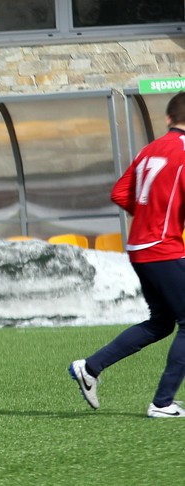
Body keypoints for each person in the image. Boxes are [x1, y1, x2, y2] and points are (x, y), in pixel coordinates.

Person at [69, 91, 185, 418]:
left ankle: (90, 367)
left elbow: (120, 192)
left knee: (161, 323)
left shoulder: (149, 149)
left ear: (168, 118)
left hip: (139, 247)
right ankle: (162, 403)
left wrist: (147, 215)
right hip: (163, 247)